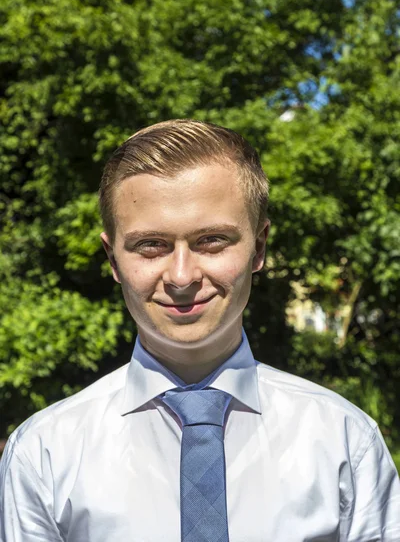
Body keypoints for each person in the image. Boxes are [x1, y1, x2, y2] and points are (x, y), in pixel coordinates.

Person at [0, 119, 399, 542]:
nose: (181, 275)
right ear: (112, 259)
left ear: (259, 248)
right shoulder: (45, 454)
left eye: (211, 240)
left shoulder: (343, 441)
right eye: (150, 245)